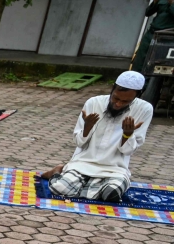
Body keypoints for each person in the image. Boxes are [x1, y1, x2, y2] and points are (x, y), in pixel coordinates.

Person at [42, 72, 153, 203]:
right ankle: (56, 172)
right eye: (116, 98)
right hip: (82, 163)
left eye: (125, 101)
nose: (118, 104)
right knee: (60, 189)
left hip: (115, 168)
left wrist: (127, 135)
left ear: (137, 96)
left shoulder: (144, 109)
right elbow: (78, 142)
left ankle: (85, 186)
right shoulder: (94, 103)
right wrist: (87, 127)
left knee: (112, 194)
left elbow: (128, 151)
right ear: (112, 89)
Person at [133, 1, 174, 72]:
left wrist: (172, 3)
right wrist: (155, 2)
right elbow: (148, 13)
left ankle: (148, 82)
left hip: (166, 37)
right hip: (151, 33)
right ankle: (135, 79)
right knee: (140, 59)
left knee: (156, 62)